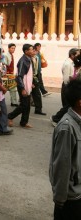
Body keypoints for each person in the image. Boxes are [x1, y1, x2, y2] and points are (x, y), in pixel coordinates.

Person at [49, 79, 81, 220]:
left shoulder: (78, 122)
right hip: (70, 199)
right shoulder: (67, 128)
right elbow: (62, 167)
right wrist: (60, 200)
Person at [51, 48, 79, 127]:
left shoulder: (73, 63)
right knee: (68, 106)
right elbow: (66, 79)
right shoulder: (67, 64)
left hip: (72, 86)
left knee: (70, 106)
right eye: (77, 54)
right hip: (68, 86)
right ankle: (55, 118)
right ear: (72, 55)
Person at [8, 44, 34, 128]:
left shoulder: (29, 59)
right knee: (24, 105)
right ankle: (9, 117)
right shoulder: (23, 61)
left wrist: (31, 83)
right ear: (26, 51)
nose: (33, 51)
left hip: (27, 85)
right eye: (31, 49)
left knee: (27, 105)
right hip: (22, 85)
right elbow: (19, 76)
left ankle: (24, 122)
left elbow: (29, 74)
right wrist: (22, 88)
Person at [31, 48, 46, 116]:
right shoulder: (28, 59)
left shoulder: (36, 58)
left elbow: (37, 68)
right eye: (33, 50)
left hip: (35, 76)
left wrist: (37, 76)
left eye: (35, 51)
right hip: (30, 78)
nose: (34, 52)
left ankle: (38, 109)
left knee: (37, 94)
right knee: (26, 97)